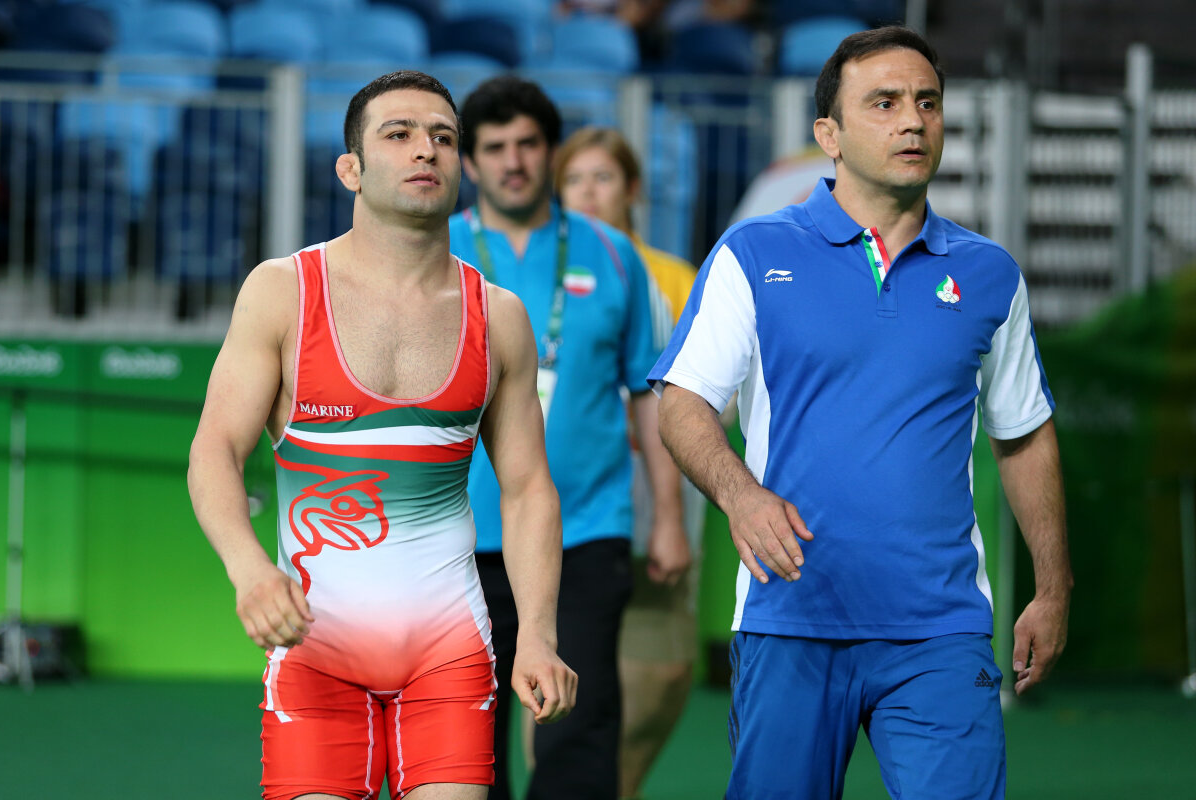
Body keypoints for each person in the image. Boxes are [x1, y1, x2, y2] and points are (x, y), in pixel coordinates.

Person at [649, 26, 1072, 800]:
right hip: (790, 615)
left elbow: (1023, 435)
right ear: (829, 135)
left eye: (927, 103)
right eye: (884, 103)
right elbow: (683, 400)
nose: (912, 121)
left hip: (942, 627)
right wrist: (741, 496)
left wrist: (1053, 589)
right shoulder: (752, 253)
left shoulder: (989, 273)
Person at [187, 70, 577, 800]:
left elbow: (528, 490)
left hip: (450, 655)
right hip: (314, 652)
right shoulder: (282, 292)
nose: (425, 149)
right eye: (398, 134)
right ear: (351, 170)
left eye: (443, 137)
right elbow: (214, 451)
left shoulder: (499, 316)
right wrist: (250, 571)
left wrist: (538, 634)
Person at [448, 76, 688, 800]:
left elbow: (649, 394)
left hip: (585, 530)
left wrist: (668, 518)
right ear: (469, 162)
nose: (513, 161)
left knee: (578, 726)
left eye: (528, 144)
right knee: (461, 741)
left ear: (551, 152)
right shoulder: (434, 248)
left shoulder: (614, 253)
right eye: (495, 147)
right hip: (453, 537)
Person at [553, 125, 703, 800]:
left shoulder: (675, 278)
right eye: (574, 179)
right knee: (561, 671)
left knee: (662, 671)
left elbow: (711, 393)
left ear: (634, 189)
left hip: (656, 495)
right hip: (567, 506)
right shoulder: (538, 271)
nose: (588, 192)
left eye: (603, 177)